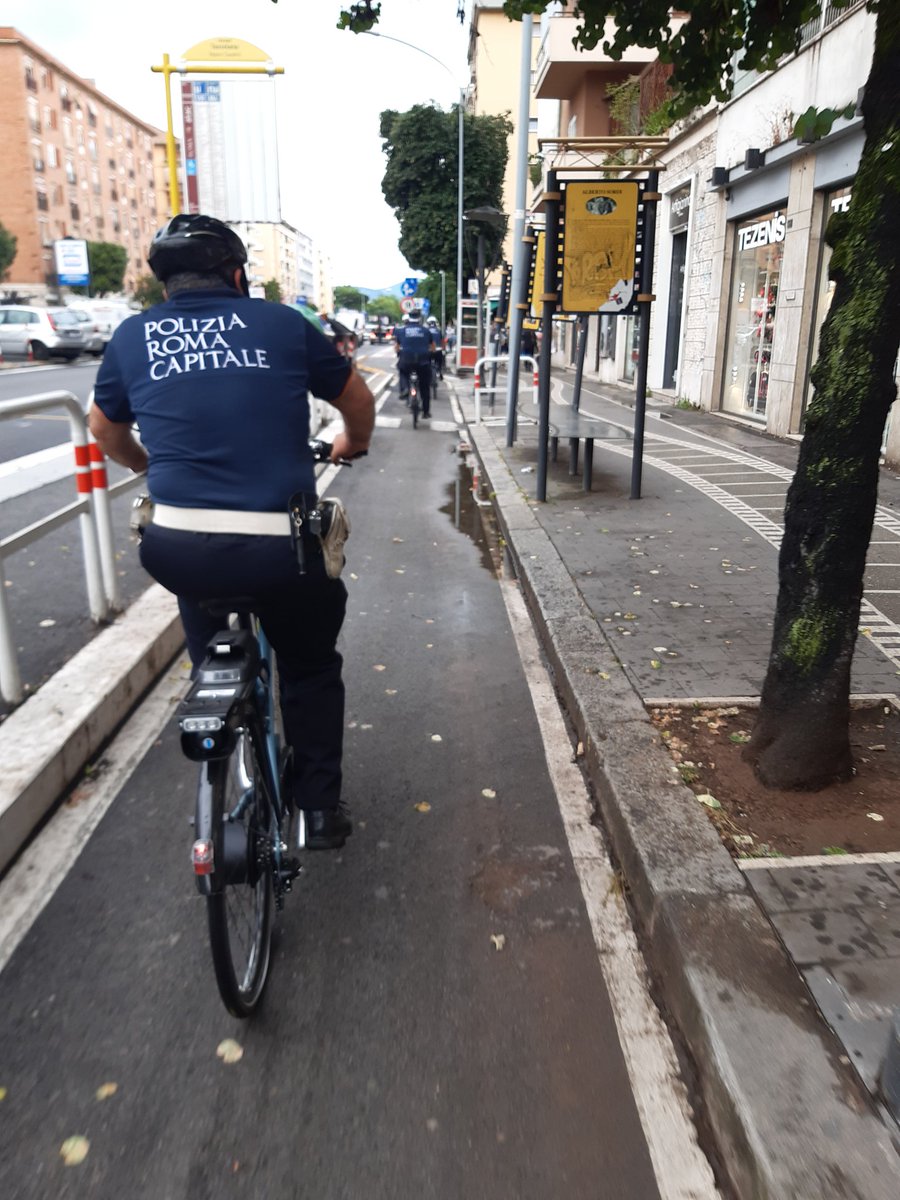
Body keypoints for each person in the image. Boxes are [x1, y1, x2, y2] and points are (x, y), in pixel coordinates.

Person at [88, 214, 375, 850]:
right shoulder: (280, 323)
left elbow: (105, 430)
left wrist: (149, 466)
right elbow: (355, 400)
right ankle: (319, 812)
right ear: (238, 274)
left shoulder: (133, 337)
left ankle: (216, 687)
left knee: (207, 605)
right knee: (309, 665)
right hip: (282, 550)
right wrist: (351, 443)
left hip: (179, 546)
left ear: (166, 286)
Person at [393, 308, 438, 417]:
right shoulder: (426, 331)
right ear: (420, 318)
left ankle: (405, 389)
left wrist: (399, 352)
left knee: (402, 371)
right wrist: (431, 352)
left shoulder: (402, 331)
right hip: (423, 361)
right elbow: (433, 347)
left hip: (406, 360)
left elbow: (397, 347)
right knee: (424, 386)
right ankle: (426, 411)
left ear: (409, 317)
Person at [426, 316, 444, 380]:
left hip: (429, 350)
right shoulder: (439, 330)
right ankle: (439, 372)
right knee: (440, 362)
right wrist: (443, 349)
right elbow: (442, 341)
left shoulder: (426, 331)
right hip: (438, 350)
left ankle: (427, 374)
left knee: (426, 362)